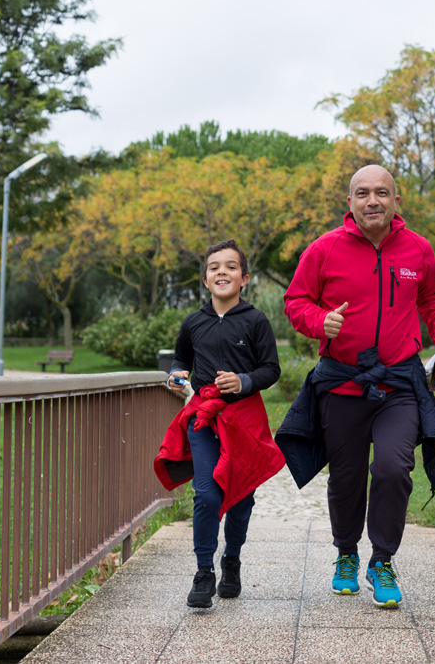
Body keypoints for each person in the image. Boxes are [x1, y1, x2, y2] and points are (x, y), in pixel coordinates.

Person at [276, 165, 435, 608]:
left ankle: (382, 560)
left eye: (382, 192)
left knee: (394, 468)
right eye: (363, 193)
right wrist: (322, 321)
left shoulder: (417, 249)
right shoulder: (324, 249)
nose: (372, 200)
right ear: (350, 202)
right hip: (342, 383)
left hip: (398, 383)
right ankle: (345, 554)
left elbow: (433, 299)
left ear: (397, 201)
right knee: (345, 478)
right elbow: (295, 301)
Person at [154, 239, 284, 608]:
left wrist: (243, 381)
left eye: (230, 267)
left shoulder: (256, 320)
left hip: (245, 421)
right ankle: (203, 571)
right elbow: (181, 358)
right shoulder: (193, 322)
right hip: (204, 418)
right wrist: (178, 374)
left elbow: (270, 369)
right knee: (208, 493)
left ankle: (232, 560)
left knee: (241, 496)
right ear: (206, 280)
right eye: (214, 267)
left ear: (244, 278)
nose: (221, 272)